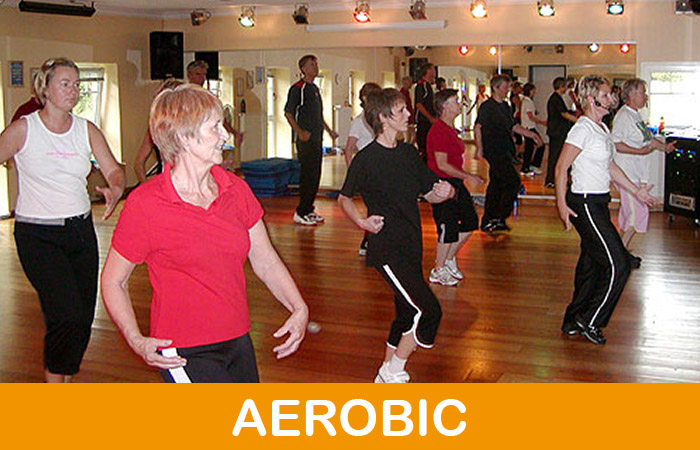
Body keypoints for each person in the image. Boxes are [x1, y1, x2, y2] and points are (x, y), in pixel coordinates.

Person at [101, 84, 309, 382]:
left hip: (238, 338)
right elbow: (113, 280)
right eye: (215, 127)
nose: (225, 135)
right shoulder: (146, 204)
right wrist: (135, 338)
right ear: (184, 137)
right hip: (184, 350)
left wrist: (298, 307)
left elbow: (265, 260)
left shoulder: (235, 189)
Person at [0, 57, 125, 382]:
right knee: (65, 314)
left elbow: (114, 170)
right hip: (37, 236)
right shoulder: (24, 129)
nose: (74, 90)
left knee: (82, 318)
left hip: (80, 232)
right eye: (65, 84)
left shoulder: (86, 129)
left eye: (77, 84)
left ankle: (64, 380)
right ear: (45, 87)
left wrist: (114, 188)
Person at [338, 88, 454, 383]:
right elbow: (344, 198)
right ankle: (394, 369)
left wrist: (446, 191)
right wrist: (362, 223)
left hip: (412, 243)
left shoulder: (408, 153)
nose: (408, 114)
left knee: (405, 314)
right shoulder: (366, 159)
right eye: (401, 110)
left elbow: (429, 192)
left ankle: (384, 374)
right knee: (428, 310)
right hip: (387, 249)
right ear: (382, 118)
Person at [555, 75, 659, 345]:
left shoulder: (600, 128)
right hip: (585, 202)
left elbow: (610, 166)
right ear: (591, 99)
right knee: (619, 264)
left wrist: (636, 191)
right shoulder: (582, 129)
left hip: (598, 201)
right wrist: (561, 204)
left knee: (590, 265)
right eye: (604, 95)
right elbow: (561, 167)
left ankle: (573, 319)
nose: (610, 99)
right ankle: (590, 320)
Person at [612, 78, 675, 267]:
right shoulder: (623, 116)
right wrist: (639, 151)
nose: (645, 96)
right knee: (636, 213)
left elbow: (648, 140)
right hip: (627, 174)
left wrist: (665, 147)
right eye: (642, 92)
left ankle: (619, 253)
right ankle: (618, 257)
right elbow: (616, 144)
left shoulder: (635, 116)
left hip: (636, 173)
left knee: (630, 214)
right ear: (631, 95)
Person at [426, 89, 483, 286]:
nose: (460, 104)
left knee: (470, 221)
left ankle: (448, 259)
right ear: (445, 106)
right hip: (442, 183)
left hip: (455, 182)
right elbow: (442, 164)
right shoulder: (439, 130)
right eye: (456, 101)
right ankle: (438, 269)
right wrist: (469, 176)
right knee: (447, 227)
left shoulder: (450, 129)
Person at [475, 74, 542, 233]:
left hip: (505, 149)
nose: (507, 90)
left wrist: (531, 135)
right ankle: (499, 217)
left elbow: (513, 126)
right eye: (505, 87)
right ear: (495, 88)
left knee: (496, 185)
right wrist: (479, 148)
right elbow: (478, 127)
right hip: (494, 150)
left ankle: (489, 220)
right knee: (513, 182)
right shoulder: (487, 107)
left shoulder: (505, 106)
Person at [284, 54, 338, 226]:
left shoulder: (314, 89)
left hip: (317, 139)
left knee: (315, 175)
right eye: (311, 64)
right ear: (303, 69)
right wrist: (299, 132)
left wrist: (329, 131)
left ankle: (309, 209)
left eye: (316, 64)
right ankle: (301, 212)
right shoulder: (297, 89)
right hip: (305, 140)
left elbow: (318, 115)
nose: (315, 67)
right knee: (307, 176)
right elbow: (288, 113)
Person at [344, 82, 383, 256]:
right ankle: (367, 242)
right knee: (375, 207)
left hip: (381, 167)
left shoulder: (379, 120)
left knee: (380, 207)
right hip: (368, 170)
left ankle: (372, 241)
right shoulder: (359, 122)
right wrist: (352, 173)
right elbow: (349, 149)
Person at [134, 78, 184, 184]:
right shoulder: (155, 128)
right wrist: (147, 187)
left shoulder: (194, 129)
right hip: (165, 183)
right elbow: (139, 163)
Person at [545, 77, 578, 189]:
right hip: (557, 132)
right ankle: (551, 180)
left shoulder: (557, 98)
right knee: (555, 157)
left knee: (558, 156)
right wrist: (579, 121)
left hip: (559, 131)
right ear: (561, 87)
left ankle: (558, 179)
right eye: (565, 86)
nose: (566, 89)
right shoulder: (555, 99)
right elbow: (564, 114)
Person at [520, 82, 548, 175]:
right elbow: (530, 116)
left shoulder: (526, 101)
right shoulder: (528, 102)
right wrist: (542, 122)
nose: (534, 93)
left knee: (530, 148)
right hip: (529, 128)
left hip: (528, 127)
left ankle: (528, 166)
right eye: (533, 91)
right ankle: (529, 167)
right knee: (539, 145)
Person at [414, 62, 437, 162]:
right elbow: (419, 104)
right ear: (428, 71)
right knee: (424, 147)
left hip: (428, 121)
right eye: (433, 69)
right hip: (424, 121)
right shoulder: (422, 86)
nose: (435, 72)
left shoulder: (428, 86)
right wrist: (430, 117)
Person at [399, 76, 416, 144]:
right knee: (409, 136)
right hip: (406, 118)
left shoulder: (407, 92)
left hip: (409, 117)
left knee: (412, 136)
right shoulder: (402, 93)